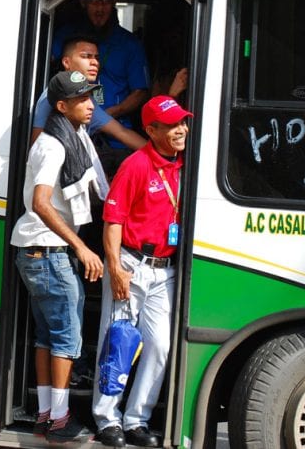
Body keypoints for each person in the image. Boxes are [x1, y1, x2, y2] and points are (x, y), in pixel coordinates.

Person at [11, 70, 106, 443]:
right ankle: (61, 421)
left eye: (91, 97)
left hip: (37, 253)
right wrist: (81, 246)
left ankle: (47, 415)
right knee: (67, 339)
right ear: (62, 106)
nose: (90, 105)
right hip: (50, 254)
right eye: (82, 100)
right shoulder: (54, 145)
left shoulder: (68, 137)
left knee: (47, 338)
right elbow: (40, 201)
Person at [93, 94, 192, 448]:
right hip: (132, 265)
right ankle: (107, 419)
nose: (181, 129)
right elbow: (112, 221)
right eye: (172, 125)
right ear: (151, 130)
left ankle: (137, 420)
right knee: (117, 343)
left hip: (165, 271)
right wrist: (116, 268)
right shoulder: (135, 165)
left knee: (159, 347)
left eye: (182, 122)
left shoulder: (187, 165)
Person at [52, 0, 150, 167]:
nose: (99, 7)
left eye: (105, 0)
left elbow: (140, 93)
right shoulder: (65, 37)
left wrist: (162, 157)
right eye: (93, 0)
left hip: (116, 141)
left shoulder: (130, 44)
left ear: (114, 1)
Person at [32, 36, 148, 153]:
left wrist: (161, 157)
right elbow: (38, 149)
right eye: (86, 56)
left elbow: (121, 132)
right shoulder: (52, 98)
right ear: (66, 62)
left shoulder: (87, 100)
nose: (95, 62)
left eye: (97, 58)